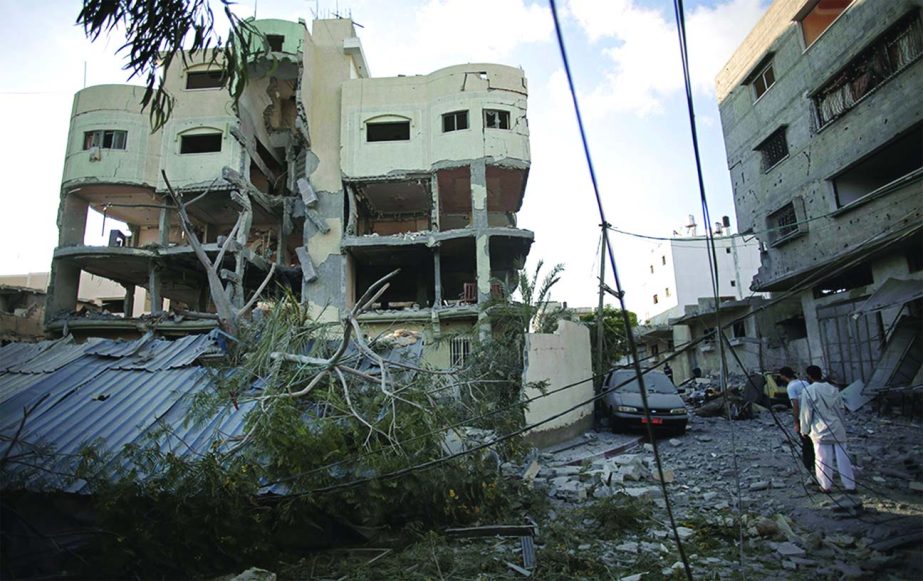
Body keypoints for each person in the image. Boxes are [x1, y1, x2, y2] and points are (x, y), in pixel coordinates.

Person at [800, 365, 856, 493]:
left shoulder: (808, 391)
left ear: (809, 376)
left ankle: (825, 486)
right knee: (844, 459)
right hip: (837, 428)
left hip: (820, 431)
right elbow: (841, 409)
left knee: (822, 460)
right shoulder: (833, 389)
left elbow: (806, 413)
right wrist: (841, 425)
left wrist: (804, 430)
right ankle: (850, 486)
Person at [779, 366, 814, 471]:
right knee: (812, 441)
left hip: (802, 417)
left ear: (784, 376)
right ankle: (816, 463)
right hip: (811, 415)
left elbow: (795, 405)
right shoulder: (804, 383)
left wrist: (796, 422)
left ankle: (809, 466)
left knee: (805, 443)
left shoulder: (791, 387)